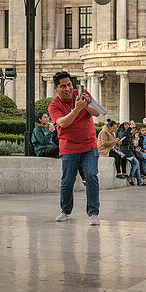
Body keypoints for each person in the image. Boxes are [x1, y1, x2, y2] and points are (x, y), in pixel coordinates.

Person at [49, 71, 102, 224]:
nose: (67, 89)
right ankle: (65, 211)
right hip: (69, 146)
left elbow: (97, 112)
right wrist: (77, 109)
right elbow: (63, 123)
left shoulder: (81, 93)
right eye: (63, 86)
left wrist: (86, 105)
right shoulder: (54, 105)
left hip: (89, 144)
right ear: (56, 88)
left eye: (69, 85)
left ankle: (93, 213)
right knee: (67, 180)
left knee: (91, 176)